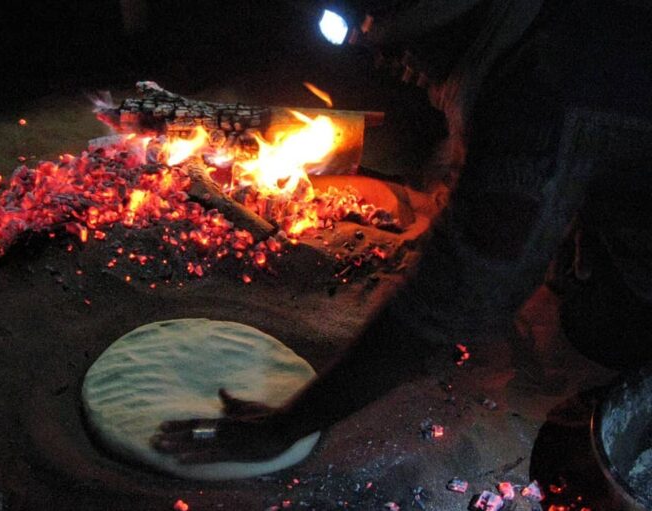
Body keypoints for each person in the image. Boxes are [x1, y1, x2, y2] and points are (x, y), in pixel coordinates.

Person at [152, 0, 652, 463]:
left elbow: (449, 303)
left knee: (603, 333)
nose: (386, 62)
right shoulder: (531, 31)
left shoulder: (544, 90)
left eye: (394, 44)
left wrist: (284, 428)